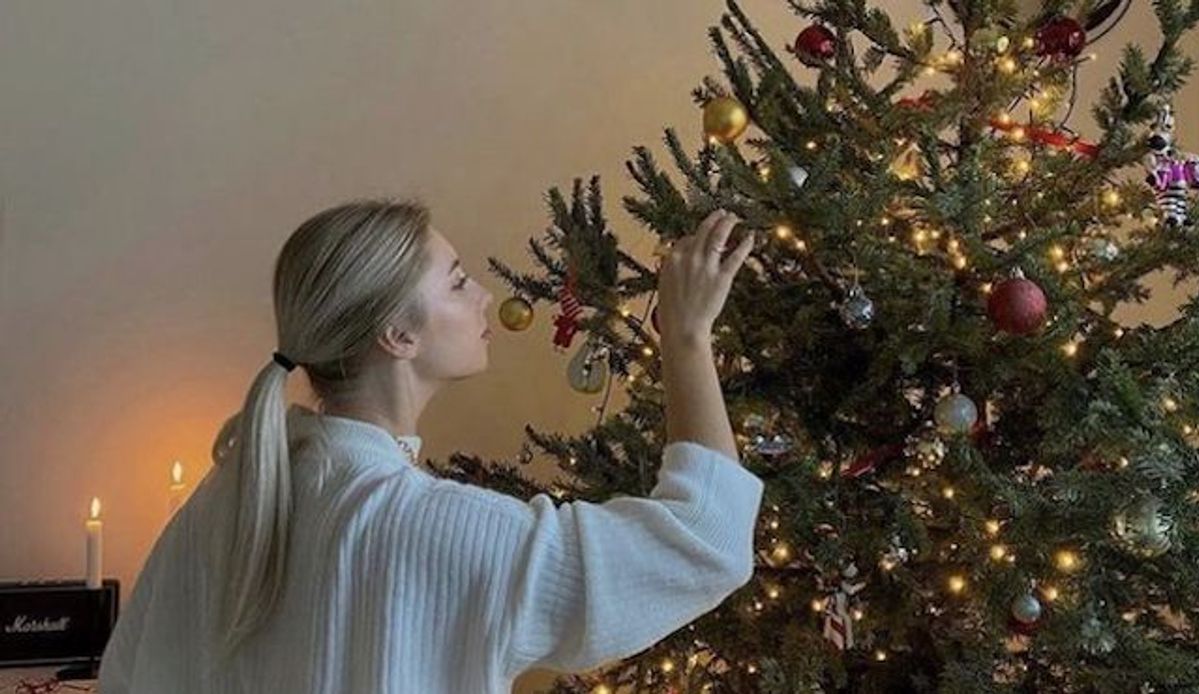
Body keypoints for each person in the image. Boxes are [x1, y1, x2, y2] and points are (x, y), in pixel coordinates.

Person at [97, 200, 764, 693]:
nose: (483, 298)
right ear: (398, 335)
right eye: (455, 281)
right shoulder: (441, 533)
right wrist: (685, 337)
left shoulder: (225, 501)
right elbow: (704, 540)